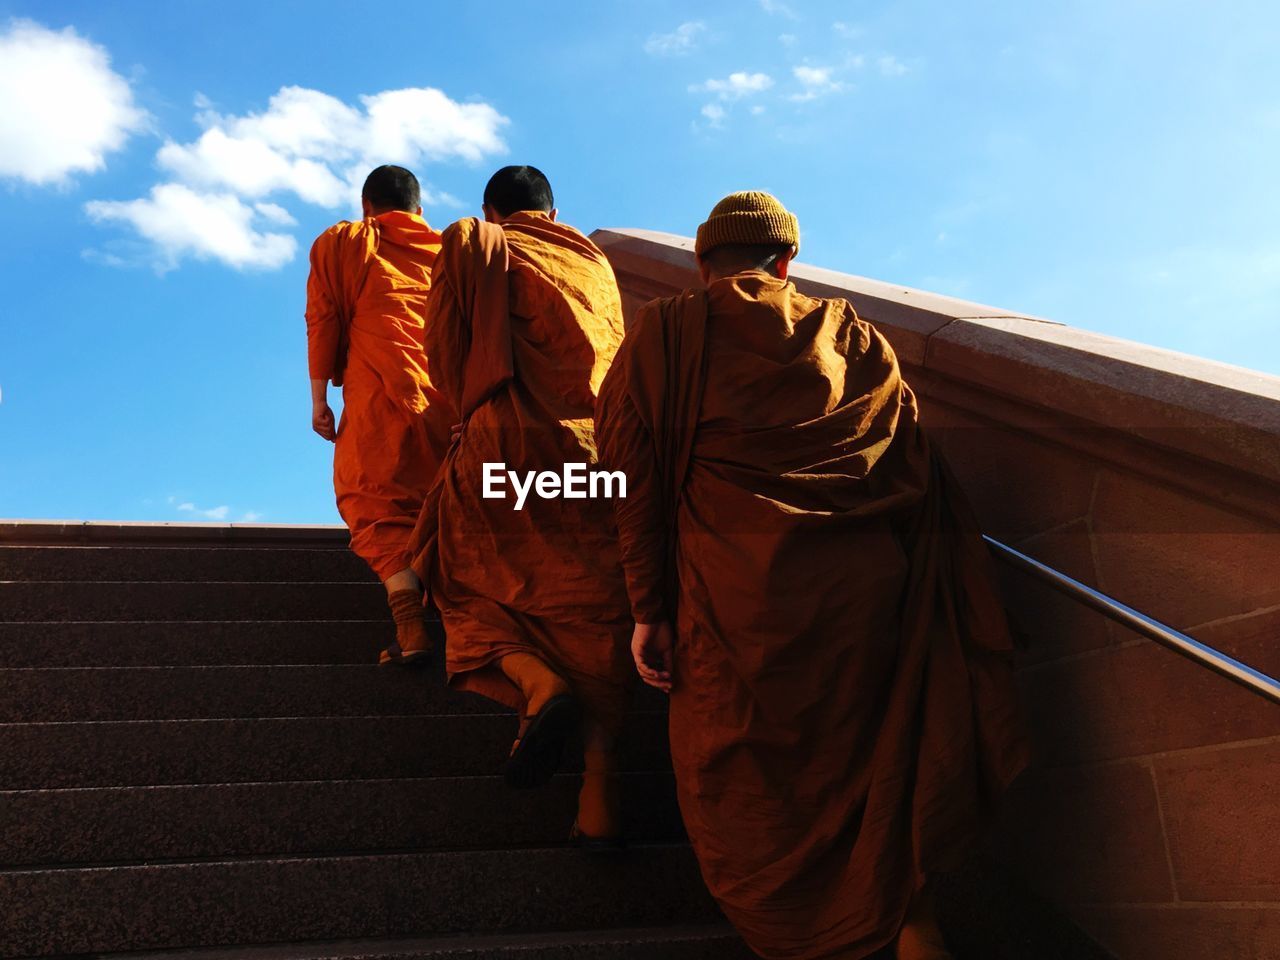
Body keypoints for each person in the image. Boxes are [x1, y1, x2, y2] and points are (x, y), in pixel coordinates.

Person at [595, 191, 1029, 959]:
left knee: (748, 784)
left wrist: (648, 608)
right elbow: (911, 460)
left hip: (732, 599)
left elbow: (633, 481)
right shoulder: (854, 335)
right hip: (866, 592)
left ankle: (809, 934)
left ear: (701, 264)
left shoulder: (665, 332)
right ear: (788, 262)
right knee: (875, 761)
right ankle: (909, 919)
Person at [409, 165, 632, 844]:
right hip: (596, 458)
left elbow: (443, 351)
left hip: (505, 449)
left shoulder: (475, 242)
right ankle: (600, 800)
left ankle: (536, 681)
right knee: (597, 611)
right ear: (556, 211)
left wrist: (465, 410)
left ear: (490, 210)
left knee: (454, 568)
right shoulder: (595, 263)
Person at [305, 164, 446, 666]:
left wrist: (320, 399)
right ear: (420, 212)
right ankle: (468, 629)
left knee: (372, 501)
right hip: (445, 402)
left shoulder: (344, 242)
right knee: (440, 504)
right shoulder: (447, 250)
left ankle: (411, 630)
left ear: (367, 207)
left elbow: (322, 319)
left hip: (379, 399)